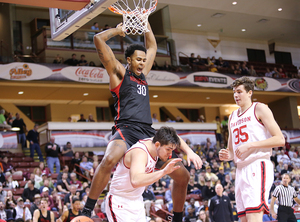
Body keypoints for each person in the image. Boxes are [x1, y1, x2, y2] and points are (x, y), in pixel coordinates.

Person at [82, 21, 202, 222]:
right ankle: (87, 210)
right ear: (128, 60)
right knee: (109, 159)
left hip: (147, 132)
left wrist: (144, 21)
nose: (142, 63)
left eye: (143, 60)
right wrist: (118, 31)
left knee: (183, 176)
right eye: (138, 60)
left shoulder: (143, 75)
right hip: (125, 129)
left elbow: (153, 46)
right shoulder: (119, 73)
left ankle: (178, 218)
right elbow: (98, 39)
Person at [219, 76, 285, 222]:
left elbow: (280, 139)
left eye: (239, 92)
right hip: (241, 169)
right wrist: (226, 154)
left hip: (257, 164)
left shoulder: (259, 108)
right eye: (234, 92)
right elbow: (231, 151)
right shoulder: (232, 117)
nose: (236, 95)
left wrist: (250, 145)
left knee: (254, 217)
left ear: (250, 93)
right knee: (244, 219)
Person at [105, 126, 182, 222]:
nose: (170, 154)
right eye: (168, 149)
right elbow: (136, 181)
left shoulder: (156, 143)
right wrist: (163, 172)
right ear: (157, 145)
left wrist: (190, 152)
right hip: (120, 202)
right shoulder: (140, 152)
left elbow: (171, 135)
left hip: (137, 201)